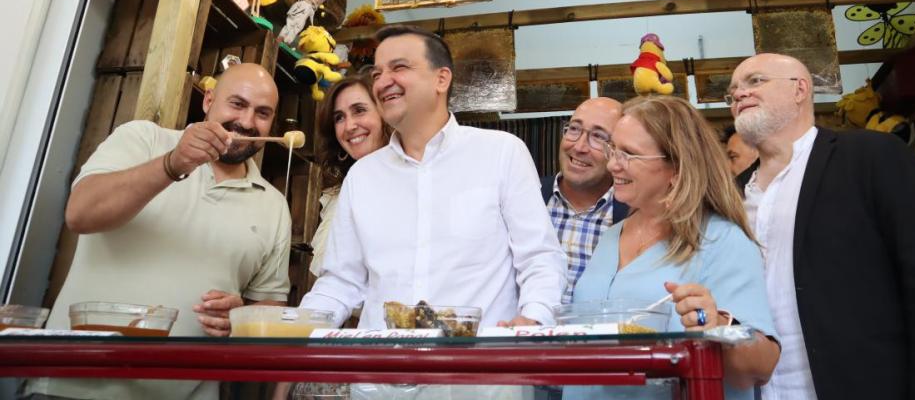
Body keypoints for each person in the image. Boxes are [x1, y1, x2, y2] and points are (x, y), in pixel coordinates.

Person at [26, 63, 291, 400]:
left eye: (262, 113)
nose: (248, 122)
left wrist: (241, 320)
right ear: (208, 100)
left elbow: (268, 318)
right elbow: (80, 214)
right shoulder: (143, 138)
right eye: (237, 104)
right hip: (73, 386)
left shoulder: (274, 206)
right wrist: (173, 163)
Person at [727, 53, 915, 400]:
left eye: (755, 81)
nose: (739, 94)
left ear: (800, 89)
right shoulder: (729, 198)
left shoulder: (873, 157)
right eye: (733, 90)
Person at [301, 24, 566, 329]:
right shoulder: (362, 176)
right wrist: (295, 327)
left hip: (477, 368)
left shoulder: (501, 153)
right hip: (382, 370)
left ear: (441, 79)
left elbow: (540, 258)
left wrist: (533, 317)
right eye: (376, 74)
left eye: (398, 67)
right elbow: (341, 282)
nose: (383, 82)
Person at [571, 96, 779, 400]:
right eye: (613, 148)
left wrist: (719, 326)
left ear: (676, 170)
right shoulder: (611, 237)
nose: (612, 163)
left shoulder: (722, 241)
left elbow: (762, 367)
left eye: (629, 153)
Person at [541, 97, 630, 303]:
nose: (579, 147)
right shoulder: (526, 197)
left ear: (619, 150)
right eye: (574, 129)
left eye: (598, 137)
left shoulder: (634, 213)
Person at [309, 73, 390, 277]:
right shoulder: (338, 194)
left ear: (385, 115)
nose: (349, 126)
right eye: (339, 118)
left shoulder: (410, 183)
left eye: (359, 110)